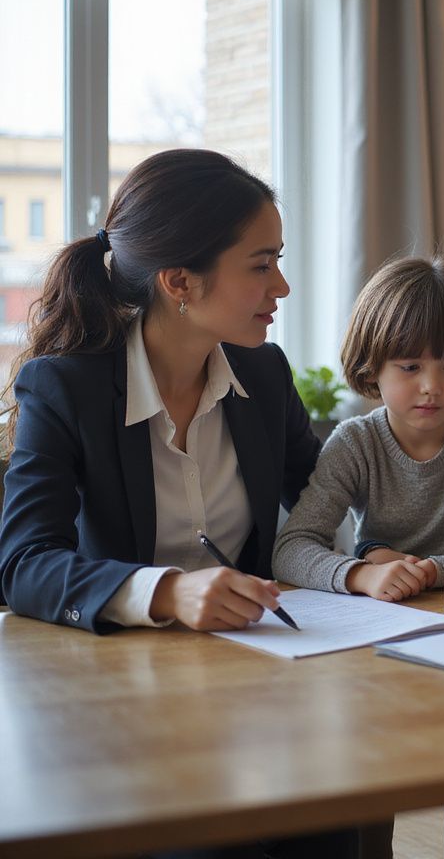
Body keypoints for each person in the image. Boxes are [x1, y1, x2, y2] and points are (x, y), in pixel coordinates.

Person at [0, 148, 356, 859]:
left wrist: (370, 558)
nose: (280, 285)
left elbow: (322, 498)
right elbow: (23, 563)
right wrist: (165, 593)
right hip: (115, 706)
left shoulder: (264, 370)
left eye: (278, 260)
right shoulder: (64, 388)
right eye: (261, 264)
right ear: (179, 282)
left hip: (256, 684)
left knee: (331, 812)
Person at [272, 255, 444, 603]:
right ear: (371, 367)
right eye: (410, 366)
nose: (432, 386)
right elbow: (291, 549)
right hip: (382, 614)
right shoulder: (355, 443)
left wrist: (435, 570)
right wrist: (362, 574)